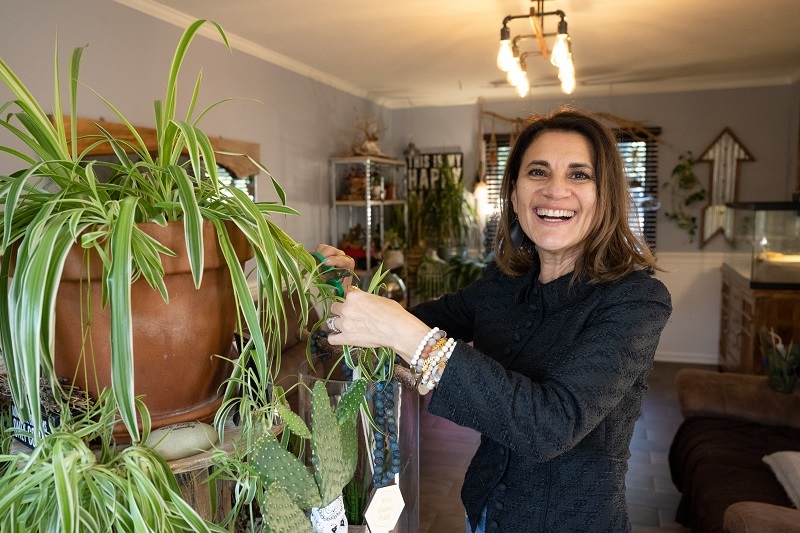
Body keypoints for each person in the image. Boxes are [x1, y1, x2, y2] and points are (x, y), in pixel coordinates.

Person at [316, 108, 672, 532]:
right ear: (515, 193)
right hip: (484, 509)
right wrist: (346, 288)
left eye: (580, 175)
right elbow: (409, 321)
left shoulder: (636, 300)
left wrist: (411, 338)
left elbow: (550, 426)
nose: (555, 191)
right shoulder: (503, 283)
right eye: (538, 172)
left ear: (606, 194)